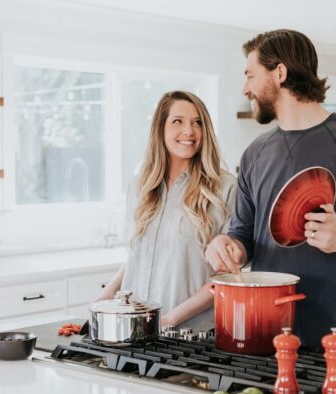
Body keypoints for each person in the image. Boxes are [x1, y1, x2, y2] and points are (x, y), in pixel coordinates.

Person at [205, 29, 336, 354]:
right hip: (264, 329)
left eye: (250, 75)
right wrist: (227, 246)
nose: (246, 88)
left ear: (280, 73)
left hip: (334, 336)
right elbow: (243, 236)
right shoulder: (254, 153)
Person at [97, 90, 237, 331]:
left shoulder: (225, 188)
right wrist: (105, 298)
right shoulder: (140, 185)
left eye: (197, 123)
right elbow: (139, 255)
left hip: (192, 335)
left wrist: (169, 319)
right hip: (136, 331)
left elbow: (227, 277)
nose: (189, 131)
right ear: (160, 129)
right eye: (177, 121)